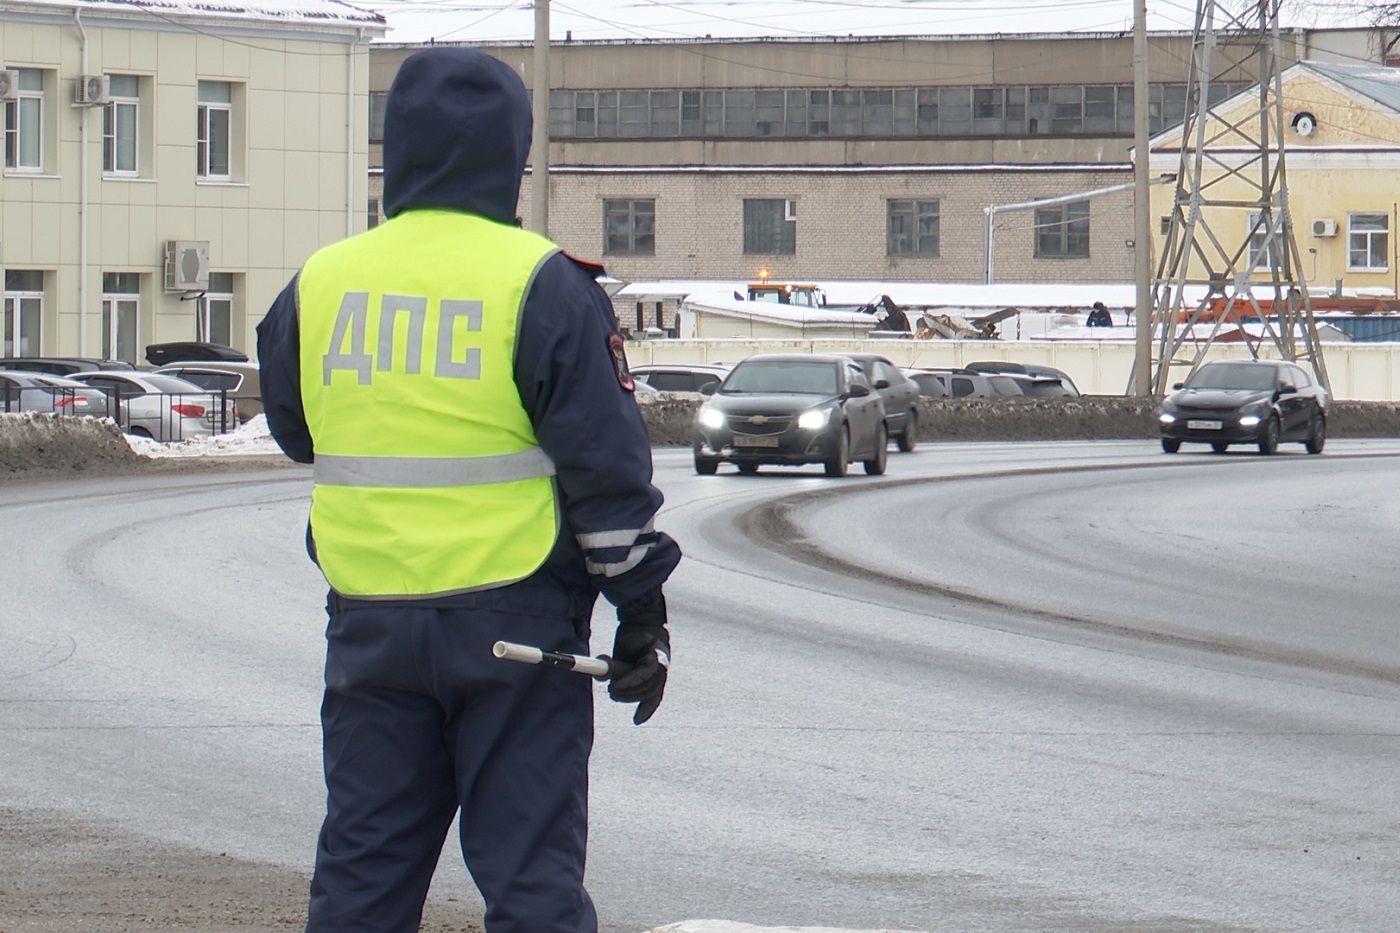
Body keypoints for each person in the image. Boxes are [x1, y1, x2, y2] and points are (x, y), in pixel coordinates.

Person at [255, 47, 680, 933]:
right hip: (515, 632)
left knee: (362, 879)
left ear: (396, 148)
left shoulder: (322, 280)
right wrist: (641, 612)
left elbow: (299, 432)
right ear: (511, 156)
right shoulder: (544, 283)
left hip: (370, 624)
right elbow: (606, 475)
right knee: (530, 886)